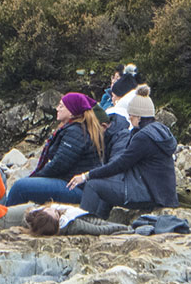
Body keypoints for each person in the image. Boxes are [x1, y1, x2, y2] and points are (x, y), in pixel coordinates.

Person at [67, 85, 178, 219]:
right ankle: (99, 222)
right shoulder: (160, 131)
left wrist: (86, 176)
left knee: (92, 185)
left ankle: (82, 224)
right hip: (162, 193)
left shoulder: (144, 137)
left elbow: (121, 164)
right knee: (106, 186)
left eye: (131, 115)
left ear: (139, 117)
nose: (129, 118)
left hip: (148, 193)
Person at [5, 93, 105, 206]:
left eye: (61, 106)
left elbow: (59, 165)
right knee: (25, 184)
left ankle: (5, 215)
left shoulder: (76, 132)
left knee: (20, 187)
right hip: (73, 184)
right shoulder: (76, 129)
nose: (57, 109)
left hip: (77, 188)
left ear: (71, 112)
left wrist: (38, 176)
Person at [24, 203, 132, 236]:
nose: (53, 209)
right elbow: (100, 229)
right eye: (56, 214)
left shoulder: (35, 215)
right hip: (88, 220)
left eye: (48, 209)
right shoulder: (72, 224)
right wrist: (127, 229)